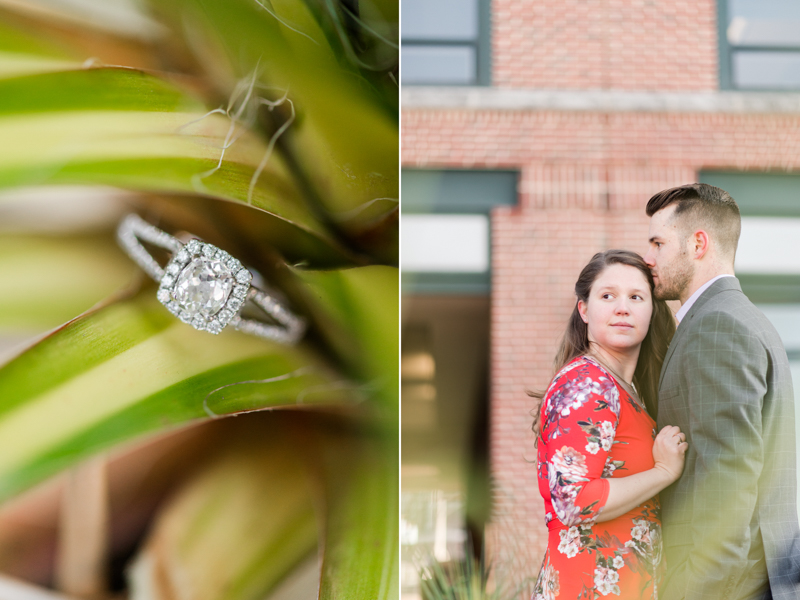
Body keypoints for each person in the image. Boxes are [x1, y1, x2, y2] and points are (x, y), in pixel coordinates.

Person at [643, 183, 800, 599]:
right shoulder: (742, 317)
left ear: (698, 244)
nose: (649, 258)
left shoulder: (717, 326)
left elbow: (728, 478)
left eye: (659, 243)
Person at [532, 249, 683, 599]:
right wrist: (664, 472)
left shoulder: (622, 388)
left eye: (636, 297)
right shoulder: (587, 384)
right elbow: (572, 501)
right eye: (607, 296)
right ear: (584, 309)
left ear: (651, 309)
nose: (622, 308)